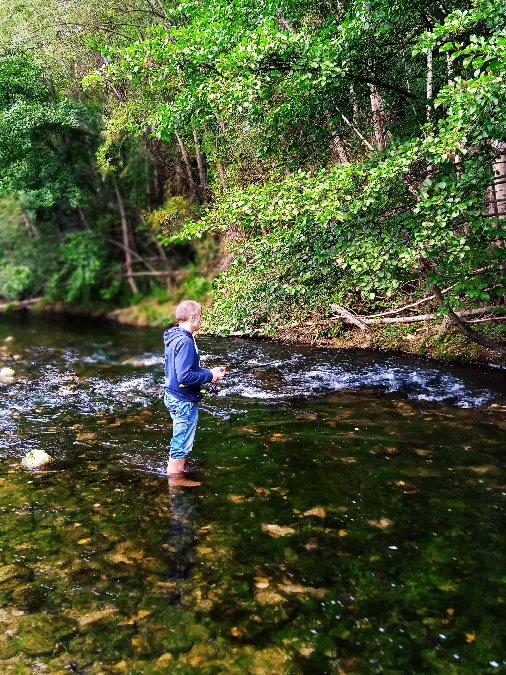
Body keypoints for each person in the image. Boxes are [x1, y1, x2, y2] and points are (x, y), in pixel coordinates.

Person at [163, 300, 226, 482]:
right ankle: (176, 482)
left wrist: (209, 372)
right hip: (183, 400)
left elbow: (184, 369)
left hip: (174, 395)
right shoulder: (185, 342)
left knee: (182, 440)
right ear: (192, 317)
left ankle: (180, 470)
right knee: (181, 444)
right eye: (200, 316)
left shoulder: (174, 336)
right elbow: (184, 377)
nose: (201, 319)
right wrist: (209, 377)